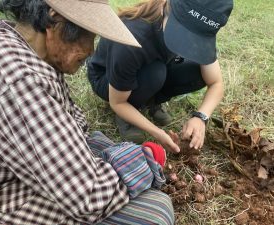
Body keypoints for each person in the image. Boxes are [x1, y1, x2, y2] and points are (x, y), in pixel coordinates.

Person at [0, 0, 175, 224]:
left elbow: (77, 125)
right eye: (88, 35)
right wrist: (143, 159)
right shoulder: (19, 79)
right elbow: (87, 199)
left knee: (101, 147)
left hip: (17, 167)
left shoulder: (17, 43)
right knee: (156, 212)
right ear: (55, 21)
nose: (91, 51)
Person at [87, 0, 234, 152]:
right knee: (156, 73)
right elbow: (117, 102)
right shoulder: (132, 38)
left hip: (152, 66)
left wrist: (201, 117)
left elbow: (216, 82)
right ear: (168, 8)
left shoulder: (198, 25)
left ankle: (150, 101)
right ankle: (130, 112)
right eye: (183, 34)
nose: (187, 45)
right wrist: (156, 132)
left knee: (196, 71)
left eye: (195, 39)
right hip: (108, 80)